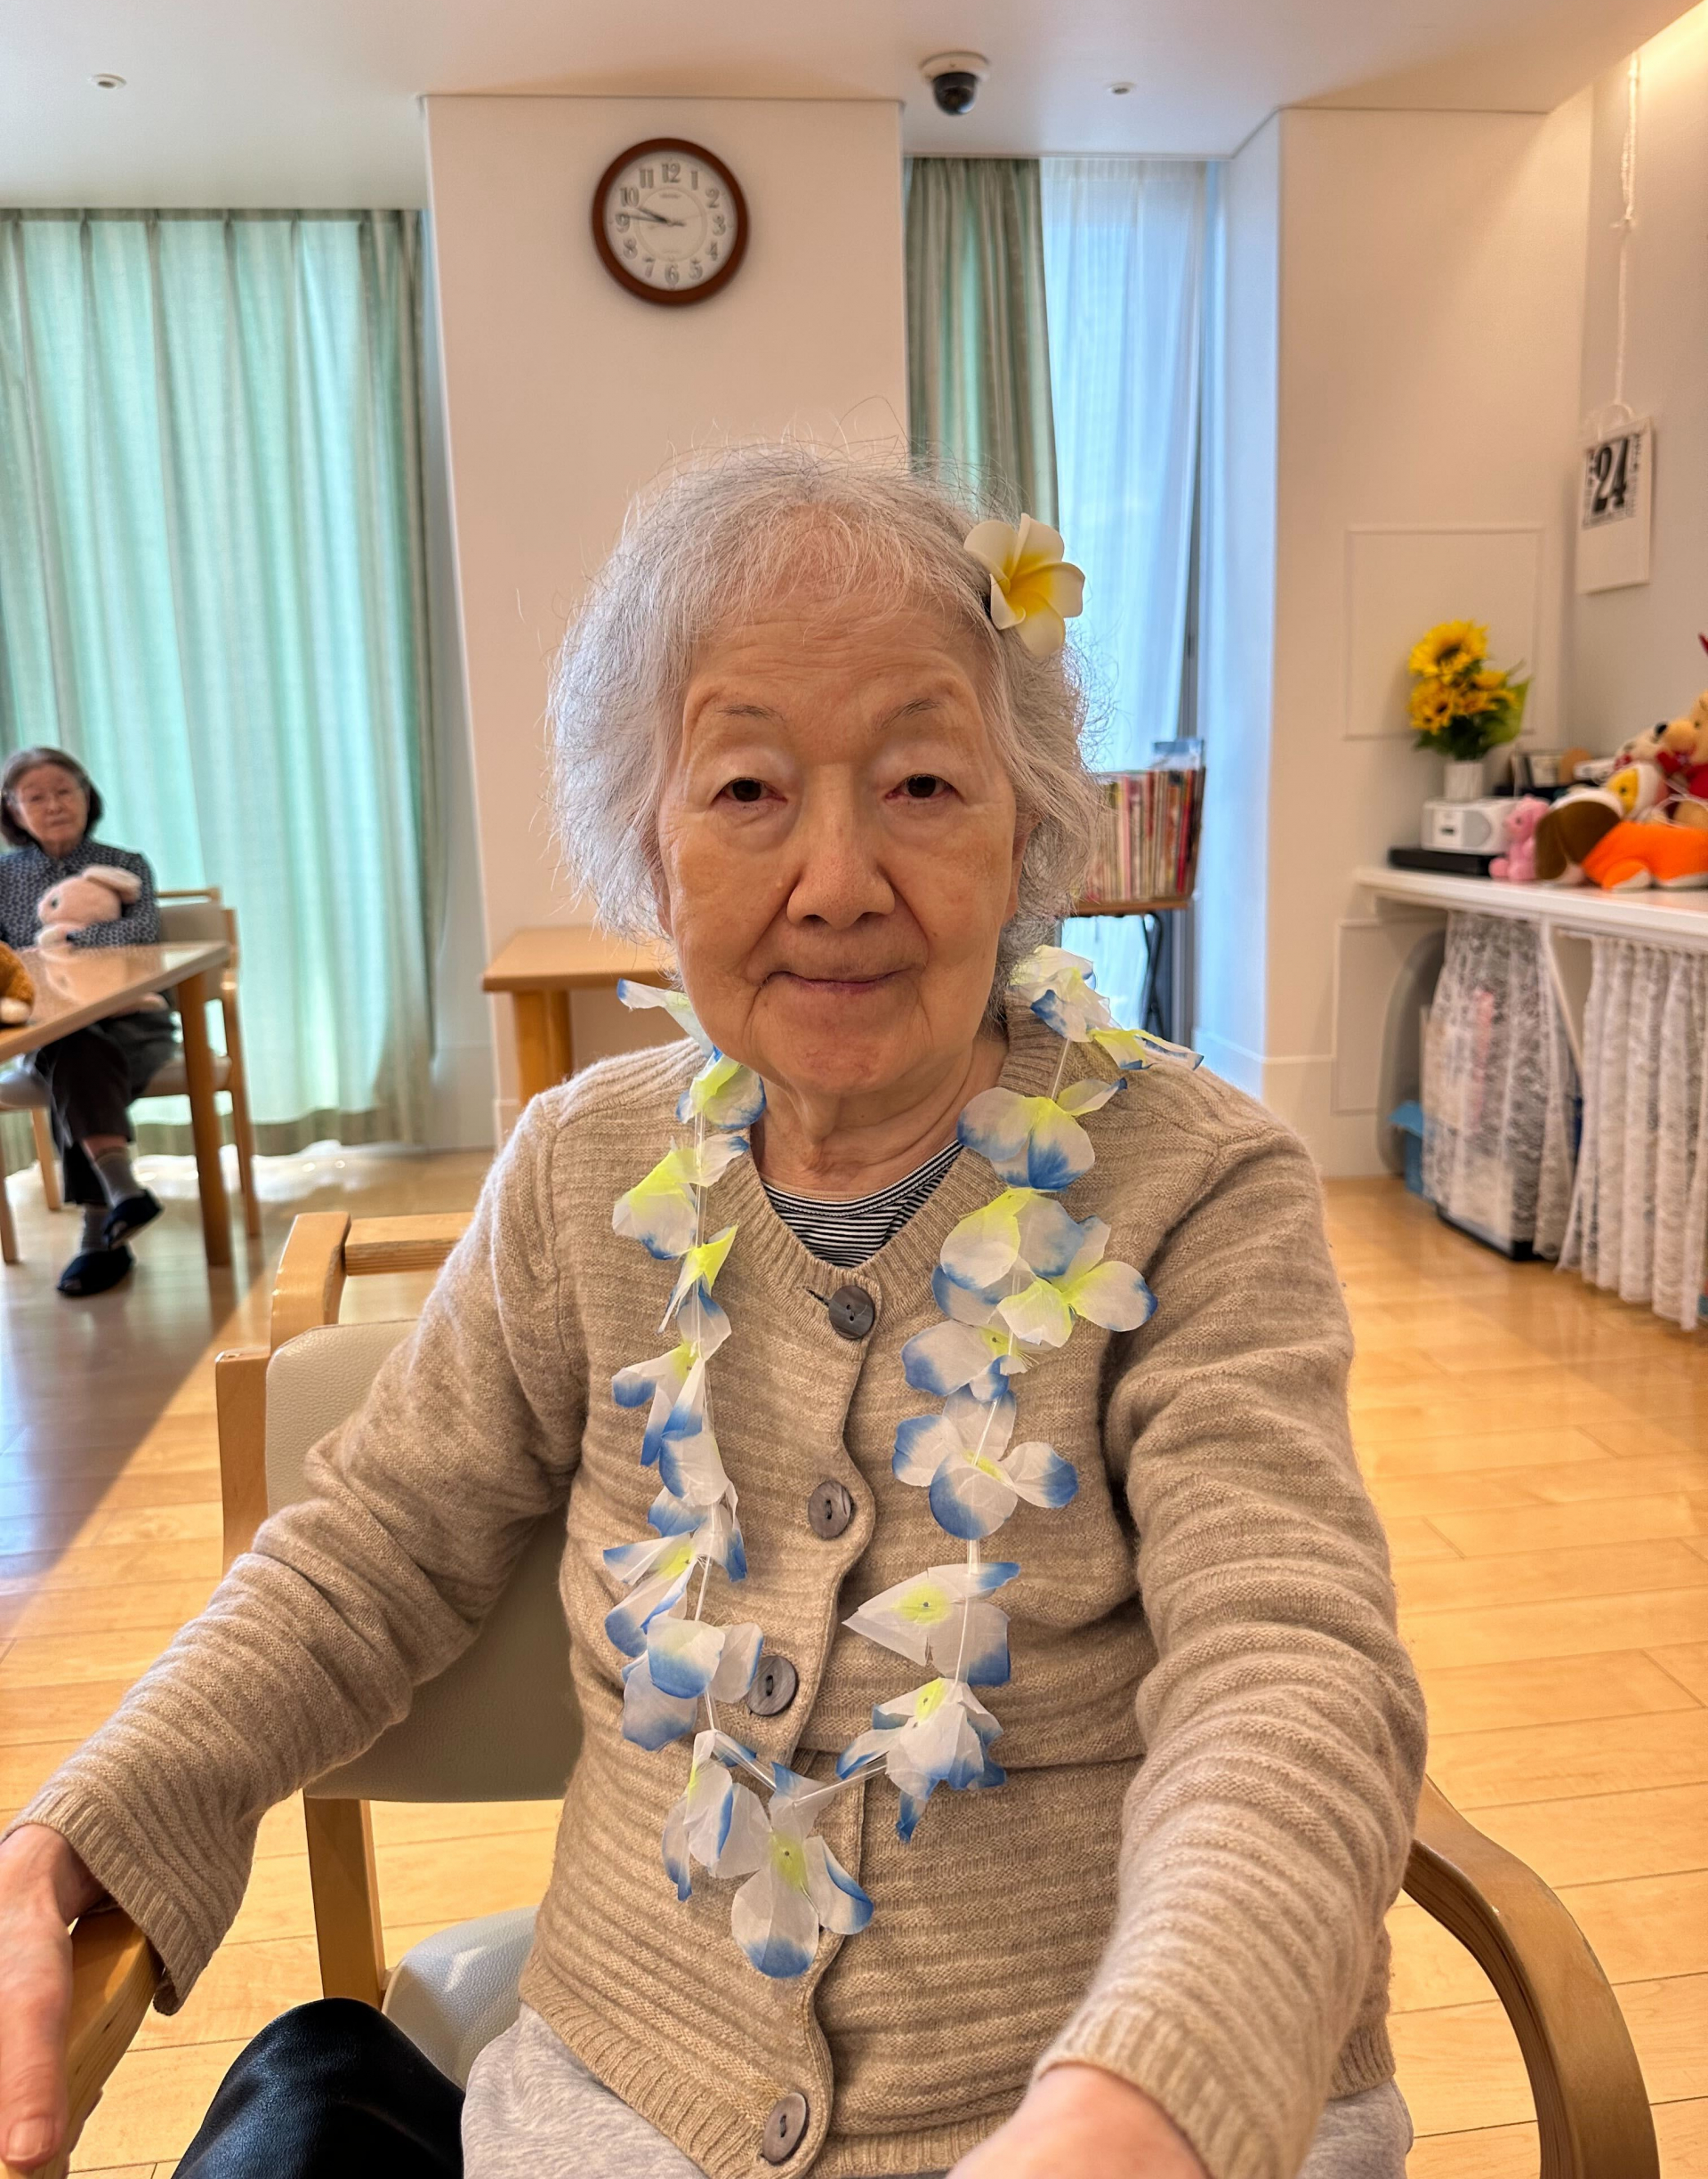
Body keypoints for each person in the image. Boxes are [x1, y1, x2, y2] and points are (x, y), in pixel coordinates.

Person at [0, 451, 1426, 2179]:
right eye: (747, 787)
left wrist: (1146, 2094)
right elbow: (372, 1554)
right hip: (629, 2104)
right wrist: (75, 1835)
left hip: (1124, 2107)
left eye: (921, 781)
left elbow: (1288, 1659)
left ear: (1030, 831)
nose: (836, 878)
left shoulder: (1200, 1185)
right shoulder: (580, 1166)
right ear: (645, 845)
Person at [0, 747, 169, 1295]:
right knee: (72, 1049)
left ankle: (100, 1231)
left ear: (86, 795)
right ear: (13, 809)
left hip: (135, 1023)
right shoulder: (3, 876)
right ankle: (121, 1196)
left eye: (64, 791)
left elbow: (141, 933)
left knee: (78, 1060)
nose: (53, 806)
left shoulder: (125, 864)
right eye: (36, 797)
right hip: (48, 1029)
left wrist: (61, 940)